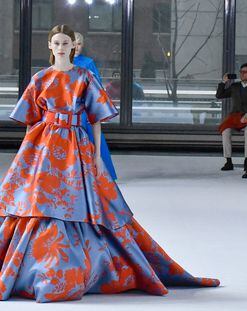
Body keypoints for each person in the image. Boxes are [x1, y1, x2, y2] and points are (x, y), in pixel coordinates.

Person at [0, 24, 219, 303]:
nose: (61, 47)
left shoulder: (84, 77)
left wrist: (96, 155)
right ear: (49, 45)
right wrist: (27, 154)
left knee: (80, 200)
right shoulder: (40, 78)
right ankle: (39, 268)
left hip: (76, 145)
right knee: (40, 202)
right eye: (56, 42)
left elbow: (96, 119)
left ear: (73, 46)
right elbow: (31, 119)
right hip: (42, 146)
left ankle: (78, 267)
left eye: (66, 42)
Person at [73, 31, 118, 180]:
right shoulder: (61, 63)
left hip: (84, 107)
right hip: (67, 108)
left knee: (93, 138)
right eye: (74, 43)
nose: (77, 47)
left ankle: (102, 173)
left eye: (79, 44)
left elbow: (96, 85)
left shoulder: (88, 62)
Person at [216, 63, 247, 171]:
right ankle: (228, 161)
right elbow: (219, 95)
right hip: (235, 117)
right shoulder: (234, 86)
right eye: (241, 72)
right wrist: (223, 82)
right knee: (225, 131)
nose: (242, 74)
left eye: (245, 72)